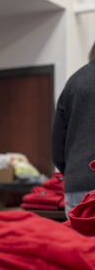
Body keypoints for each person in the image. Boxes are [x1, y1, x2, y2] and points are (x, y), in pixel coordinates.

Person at [51, 40, 95, 215]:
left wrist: (75, 172)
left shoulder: (75, 82)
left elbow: (57, 146)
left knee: (78, 242)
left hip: (77, 185)